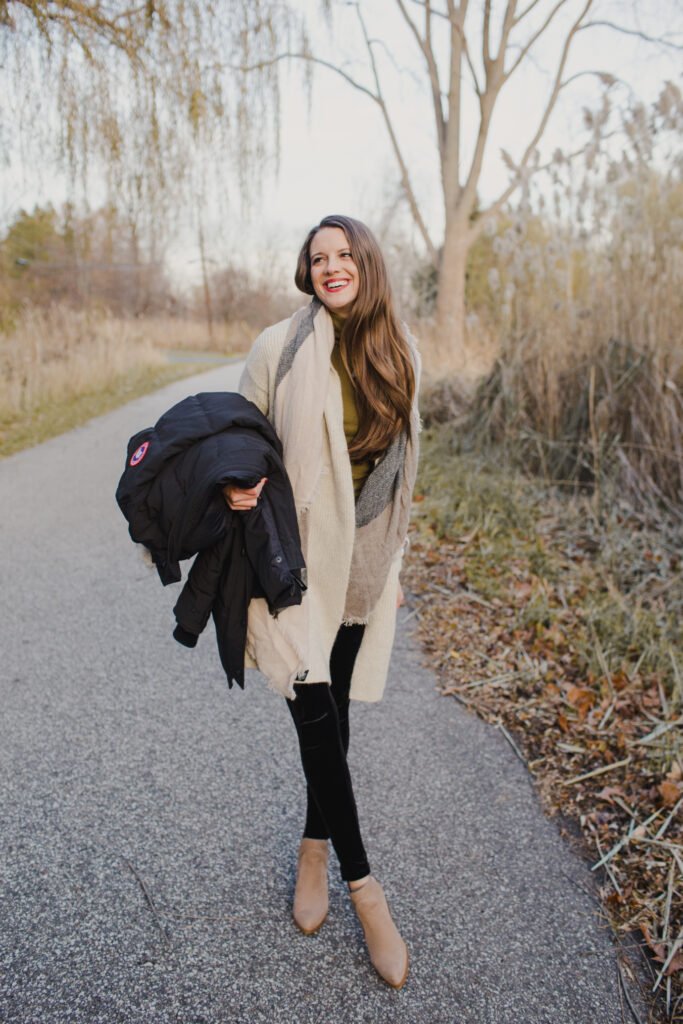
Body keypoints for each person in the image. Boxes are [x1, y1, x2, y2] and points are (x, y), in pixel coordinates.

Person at [223, 214, 420, 989]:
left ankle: (312, 847)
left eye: (343, 254)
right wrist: (236, 486)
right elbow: (237, 435)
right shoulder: (279, 345)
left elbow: (403, 472)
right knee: (312, 707)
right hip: (293, 559)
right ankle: (366, 894)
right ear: (305, 272)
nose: (331, 266)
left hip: (362, 561)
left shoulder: (400, 351)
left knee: (332, 718)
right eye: (318, 258)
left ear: (365, 264)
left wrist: (392, 564)